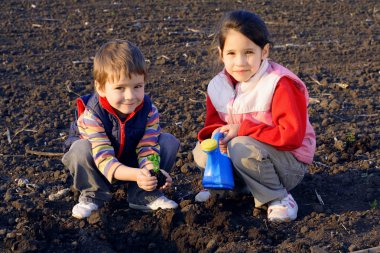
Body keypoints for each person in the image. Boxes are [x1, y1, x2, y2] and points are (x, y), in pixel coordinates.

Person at [192, 10, 316, 222]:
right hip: (249, 154)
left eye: (248, 52)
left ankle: (279, 197)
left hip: (287, 164)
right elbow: (213, 123)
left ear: (264, 51)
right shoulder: (217, 86)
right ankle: (231, 187)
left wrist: (242, 130)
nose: (239, 62)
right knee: (202, 151)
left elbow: (291, 137)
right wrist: (216, 136)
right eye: (231, 53)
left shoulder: (279, 84)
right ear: (221, 53)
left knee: (241, 147)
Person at [62, 39, 179, 219]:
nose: (130, 96)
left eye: (137, 86)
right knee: (80, 149)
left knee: (168, 141)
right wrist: (136, 174)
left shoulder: (149, 111)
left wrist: (153, 172)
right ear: (101, 88)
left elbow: (148, 148)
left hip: (131, 160)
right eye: (120, 88)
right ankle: (93, 195)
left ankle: (143, 195)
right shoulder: (92, 115)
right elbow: (103, 157)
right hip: (98, 165)